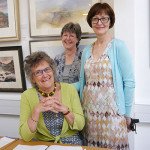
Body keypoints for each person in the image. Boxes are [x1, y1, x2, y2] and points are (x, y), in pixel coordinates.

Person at [74, 2, 135, 149]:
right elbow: (83, 82)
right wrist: (60, 87)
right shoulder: (87, 50)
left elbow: (129, 82)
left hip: (113, 116)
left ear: (110, 21)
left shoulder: (118, 46)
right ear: (90, 22)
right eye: (95, 18)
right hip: (90, 115)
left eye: (104, 18)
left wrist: (125, 114)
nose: (99, 22)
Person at [19, 51, 85, 145]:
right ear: (32, 78)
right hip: (42, 144)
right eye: (38, 72)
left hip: (71, 143)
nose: (44, 75)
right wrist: (36, 111)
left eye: (47, 69)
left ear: (52, 70)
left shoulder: (69, 89)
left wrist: (65, 111)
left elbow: (80, 125)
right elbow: (25, 136)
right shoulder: (27, 96)